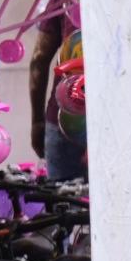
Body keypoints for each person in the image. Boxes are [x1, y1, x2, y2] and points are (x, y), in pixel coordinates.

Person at [30, 13, 84, 181]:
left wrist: (37, 122)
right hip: (119, 123)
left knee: (62, 195)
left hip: (65, 119)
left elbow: (39, 58)